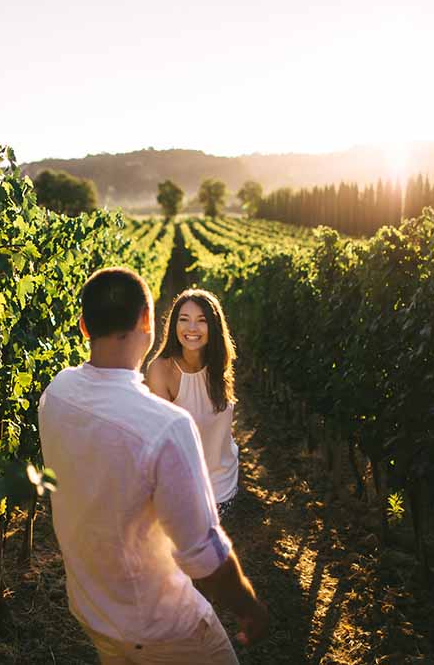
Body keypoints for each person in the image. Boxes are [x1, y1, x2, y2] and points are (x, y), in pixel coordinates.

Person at [38, 267, 267, 664]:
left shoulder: (55, 394)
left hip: (95, 614)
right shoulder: (164, 427)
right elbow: (203, 554)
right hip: (164, 626)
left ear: (82, 326)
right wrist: (248, 606)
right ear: (148, 320)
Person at [146, 289, 239, 520]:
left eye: (202, 321)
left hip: (222, 488)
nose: (192, 329)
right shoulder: (161, 370)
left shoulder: (218, 366)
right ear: (173, 325)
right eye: (184, 320)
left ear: (214, 327)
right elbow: (162, 442)